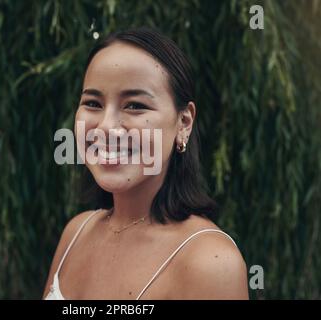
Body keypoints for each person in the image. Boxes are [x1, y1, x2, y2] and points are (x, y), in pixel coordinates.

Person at [43, 27, 249, 300]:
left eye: (135, 106)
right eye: (93, 103)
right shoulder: (76, 232)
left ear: (184, 123)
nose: (106, 127)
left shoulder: (210, 262)